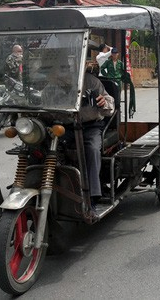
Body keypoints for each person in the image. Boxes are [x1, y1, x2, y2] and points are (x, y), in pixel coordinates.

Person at [42, 62, 115, 213]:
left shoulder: (91, 81)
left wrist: (103, 102)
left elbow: (110, 105)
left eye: (67, 67)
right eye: (61, 68)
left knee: (92, 149)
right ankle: (47, 187)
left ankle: (93, 197)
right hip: (64, 127)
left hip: (90, 126)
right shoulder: (49, 88)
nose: (66, 71)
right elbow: (45, 112)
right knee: (43, 146)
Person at [100, 47, 136, 117]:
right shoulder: (108, 62)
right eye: (113, 53)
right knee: (110, 93)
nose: (114, 55)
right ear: (111, 54)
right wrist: (106, 75)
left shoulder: (120, 63)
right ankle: (111, 107)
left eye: (116, 53)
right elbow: (102, 68)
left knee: (118, 93)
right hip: (110, 79)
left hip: (118, 80)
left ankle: (118, 107)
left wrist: (124, 78)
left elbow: (123, 71)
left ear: (118, 54)